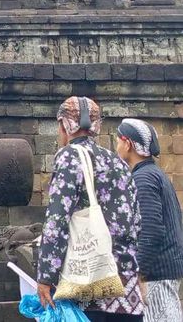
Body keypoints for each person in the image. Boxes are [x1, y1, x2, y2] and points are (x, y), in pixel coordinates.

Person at [37, 96, 144, 321]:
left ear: (64, 125)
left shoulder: (69, 157)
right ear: (97, 126)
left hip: (88, 282)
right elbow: (136, 223)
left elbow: (57, 221)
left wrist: (45, 276)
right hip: (125, 286)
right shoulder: (118, 163)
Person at [117, 119, 183, 322]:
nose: (117, 147)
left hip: (156, 272)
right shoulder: (155, 174)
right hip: (166, 267)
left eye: (118, 141)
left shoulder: (143, 179)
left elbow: (150, 230)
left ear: (127, 143)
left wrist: (140, 272)